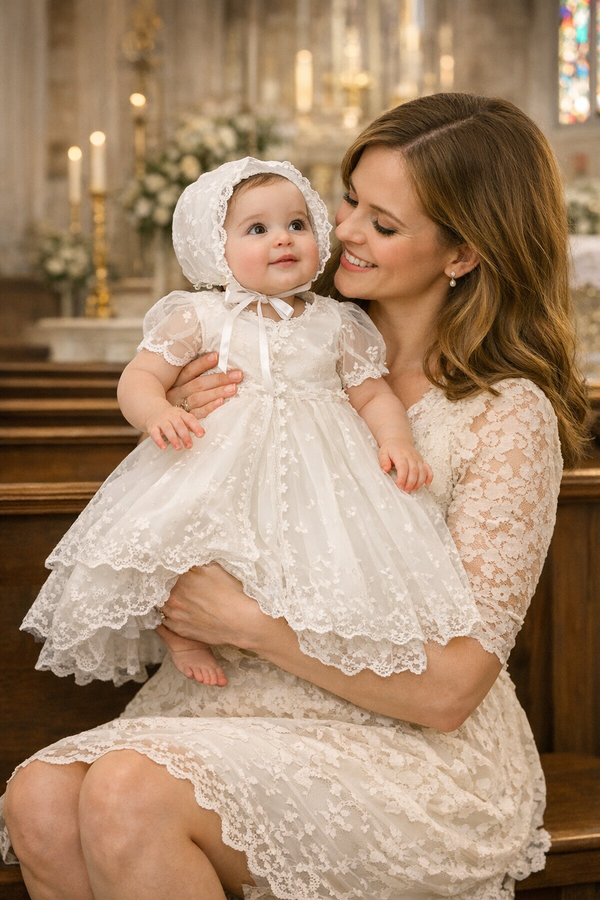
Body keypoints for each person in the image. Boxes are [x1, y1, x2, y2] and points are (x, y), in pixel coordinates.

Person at [2, 93, 589, 900]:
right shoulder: (272, 343)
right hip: (241, 700)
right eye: (349, 198)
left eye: (384, 224)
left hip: (411, 745)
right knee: (37, 799)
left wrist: (242, 622)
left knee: (128, 792)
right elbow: (188, 488)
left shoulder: (503, 415)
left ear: (462, 254)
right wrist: (180, 441)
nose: (343, 230)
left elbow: (452, 691)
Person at [21, 155, 481, 689]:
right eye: (257, 229)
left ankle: (307, 639)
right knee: (188, 534)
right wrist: (158, 411)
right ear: (216, 250)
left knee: (316, 543)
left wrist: (397, 441)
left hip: (318, 464)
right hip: (222, 455)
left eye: (297, 224)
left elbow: (372, 393)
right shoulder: (203, 316)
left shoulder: (336, 320)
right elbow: (139, 376)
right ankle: (180, 629)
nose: (283, 239)